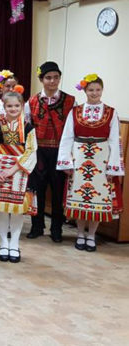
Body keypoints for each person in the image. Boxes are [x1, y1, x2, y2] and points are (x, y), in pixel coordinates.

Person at [57, 74, 124, 252]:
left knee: (97, 198)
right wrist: (66, 162)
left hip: (101, 161)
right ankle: (80, 234)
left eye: (98, 90)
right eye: (91, 90)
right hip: (79, 159)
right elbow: (67, 137)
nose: (94, 93)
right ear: (85, 91)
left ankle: (92, 235)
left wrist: (113, 166)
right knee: (79, 197)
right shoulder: (75, 112)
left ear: (102, 90)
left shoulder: (111, 112)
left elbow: (114, 141)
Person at [25, 61, 76, 242]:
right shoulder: (31, 101)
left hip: (60, 152)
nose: (52, 81)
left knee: (57, 190)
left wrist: (70, 155)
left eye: (56, 77)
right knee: (37, 189)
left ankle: (56, 229)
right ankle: (37, 226)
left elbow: (73, 130)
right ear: (41, 79)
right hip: (39, 151)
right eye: (48, 78)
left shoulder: (70, 101)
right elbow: (28, 129)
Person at [0, 89, 37, 263]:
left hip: (19, 172)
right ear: (3, 107)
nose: (13, 109)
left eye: (16, 106)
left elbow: (31, 151)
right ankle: (3, 242)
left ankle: (14, 243)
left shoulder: (28, 128)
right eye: (9, 106)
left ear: (22, 107)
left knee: (17, 209)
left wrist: (14, 169)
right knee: (1, 208)